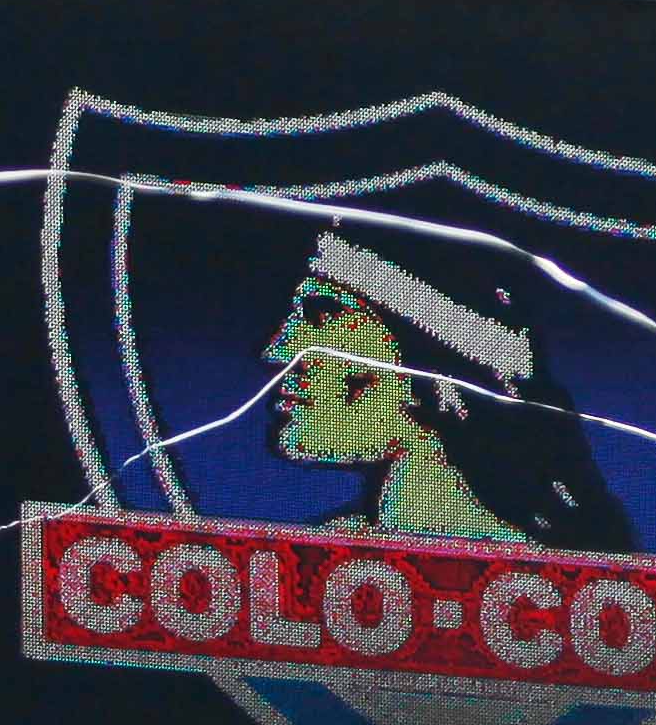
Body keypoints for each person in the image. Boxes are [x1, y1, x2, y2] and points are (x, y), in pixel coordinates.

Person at [256, 233, 636, 551]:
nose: (278, 349)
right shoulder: (312, 565)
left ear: (433, 362)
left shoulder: (561, 588)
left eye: (325, 314)